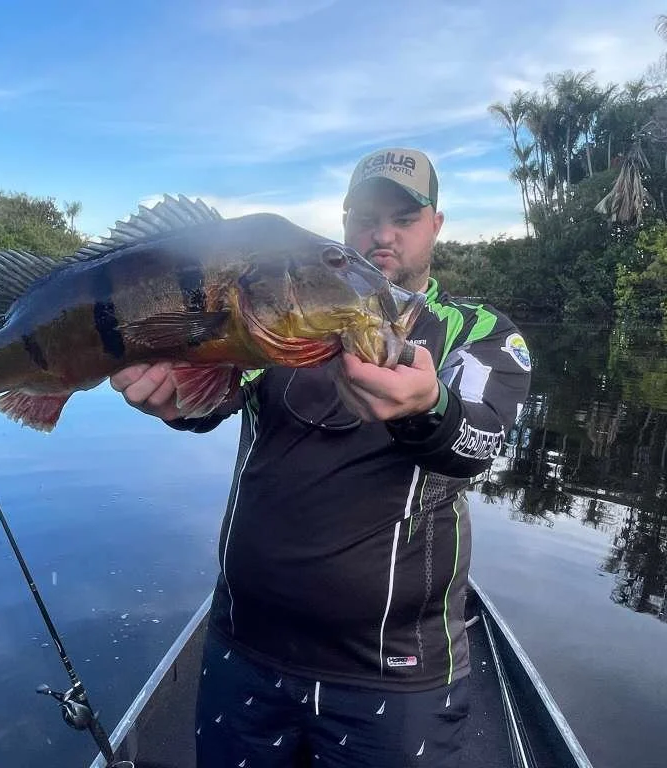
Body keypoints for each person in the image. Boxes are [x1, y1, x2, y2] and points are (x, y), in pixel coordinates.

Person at [110, 147, 533, 766]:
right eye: (365, 216)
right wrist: (175, 401)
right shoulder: (273, 317)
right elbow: (209, 401)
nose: (381, 234)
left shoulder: (478, 331)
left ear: (436, 224)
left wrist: (428, 406)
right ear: (343, 223)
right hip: (245, 647)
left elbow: (479, 442)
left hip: (393, 669)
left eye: (405, 217)